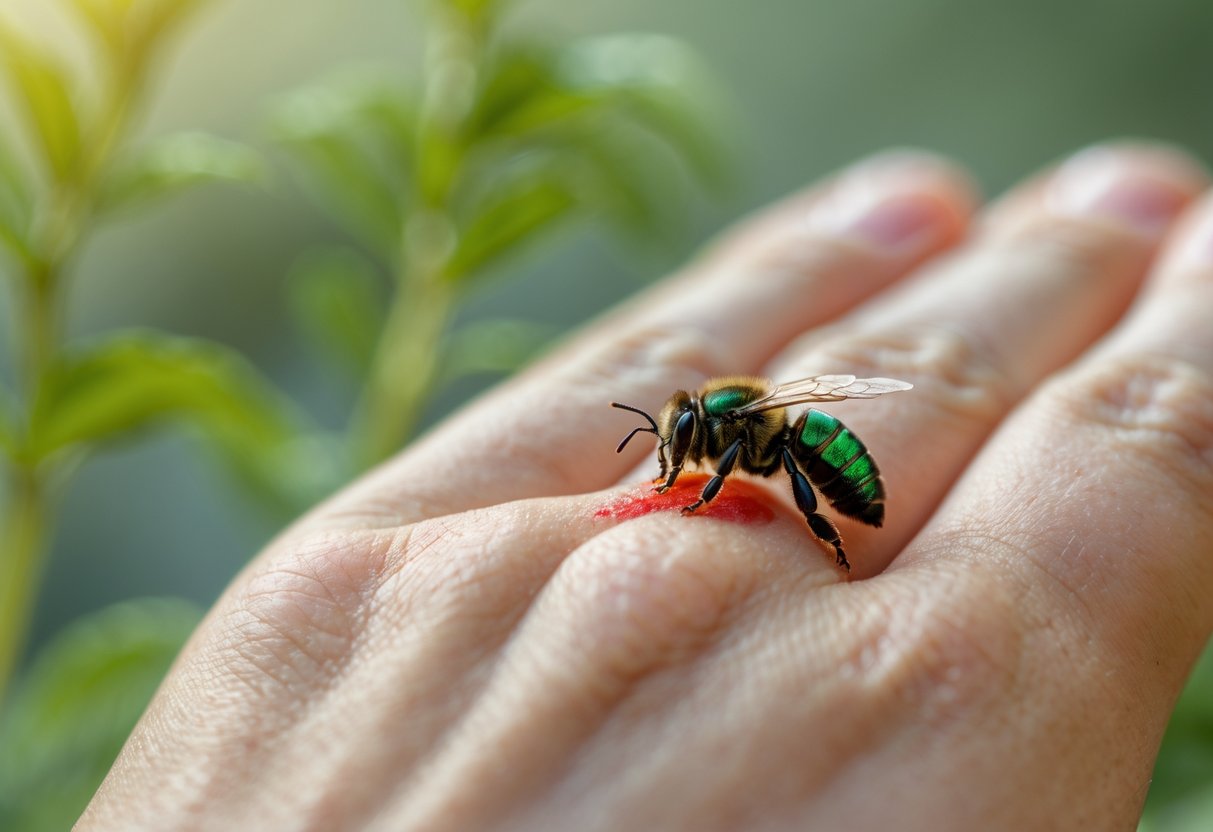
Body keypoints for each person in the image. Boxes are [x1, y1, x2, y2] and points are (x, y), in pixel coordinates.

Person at [78, 143, 1213, 831]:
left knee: (813, 470)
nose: (672, 458)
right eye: (676, 448)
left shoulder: (739, 430)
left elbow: (760, 448)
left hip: (828, 461)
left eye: (680, 445)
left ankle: (824, 539)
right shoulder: (718, 429)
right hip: (806, 441)